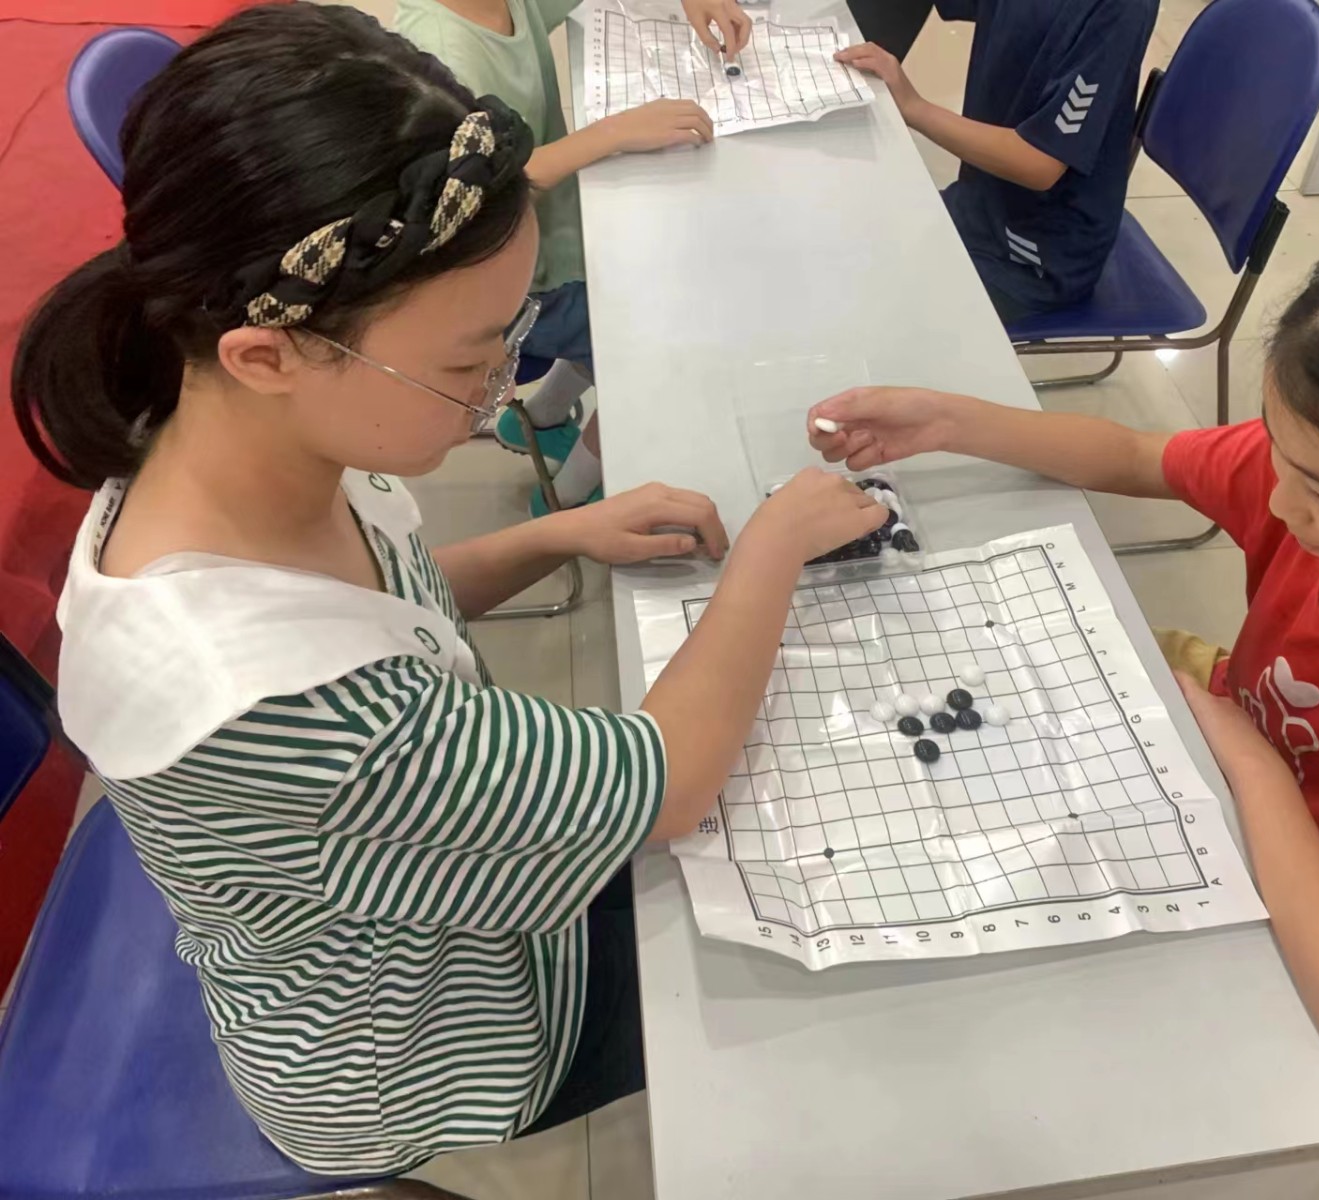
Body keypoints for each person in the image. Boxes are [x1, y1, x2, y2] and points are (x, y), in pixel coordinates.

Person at [12, 2, 883, 1173]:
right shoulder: (292, 710)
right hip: (427, 1050)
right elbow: (667, 782)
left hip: (396, 913)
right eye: (471, 363)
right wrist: (773, 545)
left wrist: (558, 533)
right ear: (269, 354)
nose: (499, 393)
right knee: (840, 974)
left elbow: (387, 605)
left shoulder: (227, 455)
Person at [805, 204, 1319, 1061]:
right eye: (1281, 455)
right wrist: (949, 422)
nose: (1278, 501)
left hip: (1310, 906)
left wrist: (1251, 761)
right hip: (1215, 762)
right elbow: (1138, 456)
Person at [395, 0, 753, 512]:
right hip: (523, 281)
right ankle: (567, 501)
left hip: (556, 241)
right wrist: (612, 133)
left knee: (614, 313)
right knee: (664, 352)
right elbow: (479, 196)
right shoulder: (445, 52)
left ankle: (541, 418)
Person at [838, 0, 1157, 323]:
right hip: (978, 205)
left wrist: (914, 108)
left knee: (857, 305)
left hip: (1035, 255)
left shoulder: (1117, 9)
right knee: (842, 240)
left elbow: (1039, 162)